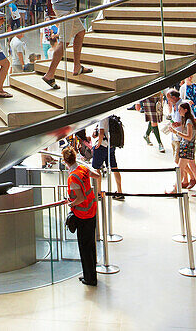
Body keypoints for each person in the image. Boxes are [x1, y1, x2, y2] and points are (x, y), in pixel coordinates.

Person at [63, 144, 101, 287]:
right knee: (90, 245)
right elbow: (97, 175)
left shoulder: (73, 178)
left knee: (84, 247)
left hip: (82, 214)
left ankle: (89, 278)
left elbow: (80, 198)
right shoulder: (83, 169)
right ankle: (91, 275)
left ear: (66, 161)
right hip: (92, 210)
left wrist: (71, 204)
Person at [175, 101, 196, 197]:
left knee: (180, 168)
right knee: (193, 168)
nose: (178, 111)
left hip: (187, 147)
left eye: (180, 109)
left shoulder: (188, 121)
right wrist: (179, 125)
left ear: (185, 110)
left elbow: (188, 136)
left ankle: (175, 189)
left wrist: (176, 132)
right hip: (189, 147)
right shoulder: (187, 120)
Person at [91, 116, 124, 200]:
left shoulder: (103, 117)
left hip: (102, 146)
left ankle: (98, 192)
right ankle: (120, 192)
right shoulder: (110, 116)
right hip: (111, 146)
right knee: (114, 168)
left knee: (96, 169)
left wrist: (98, 143)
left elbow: (102, 132)